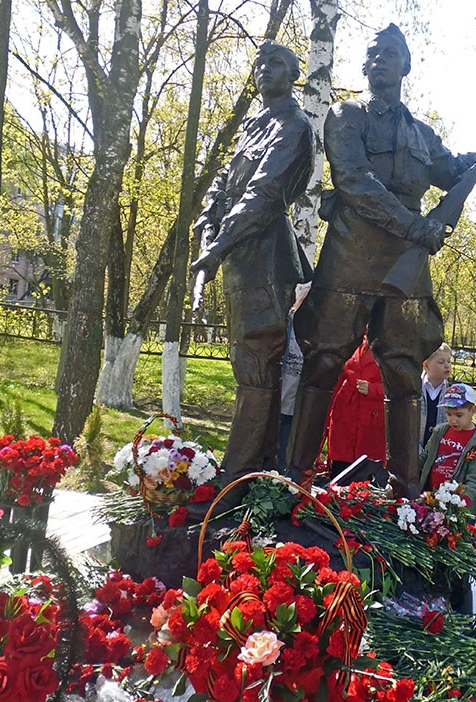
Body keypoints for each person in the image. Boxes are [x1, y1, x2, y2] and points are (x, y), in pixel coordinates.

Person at [287, 23, 476, 497]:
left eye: (391, 53)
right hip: (351, 256)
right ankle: (296, 477)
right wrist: (416, 226)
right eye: (373, 54)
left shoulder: (421, 133)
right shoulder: (345, 115)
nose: (379, 60)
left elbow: (453, 170)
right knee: (324, 362)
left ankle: (404, 488)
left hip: (405, 266)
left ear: (405, 65)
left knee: (404, 371)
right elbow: (353, 180)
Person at [189, 41, 314, 488]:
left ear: (294, 72)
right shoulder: (254, 126)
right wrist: (207, 223)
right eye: (259, 62)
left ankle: (239, 475)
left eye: (276, 62)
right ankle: (250, 472)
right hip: (241, 256)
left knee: (258, 363)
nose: (264, 69)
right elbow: (224, 183)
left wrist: (217, 246)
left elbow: (262, 193)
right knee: (247, 362)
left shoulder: (293, 126)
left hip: (265, 259)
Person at [418, 383, 476, 522]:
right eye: (448, 414)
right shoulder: (440, 431)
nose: (453, 420)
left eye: (459, 415)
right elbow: (425, 457)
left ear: (473, 411)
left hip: (457, 508)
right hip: (429, 497)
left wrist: (460, 503)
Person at [326, 338, 386, 478]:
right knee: (339, 474)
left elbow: (400, 387)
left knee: (364, 478)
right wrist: (329, 411)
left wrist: (373, 389)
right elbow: (338, 380)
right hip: (345, 415)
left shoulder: (390, 347)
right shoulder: (352, 341)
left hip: (371, 419)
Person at [277, 284, 310, 472]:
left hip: (297, 404)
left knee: (287, 453)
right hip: (278, 400)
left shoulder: (315, 332)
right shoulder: (285, 326)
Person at [420, 343, 452, 449]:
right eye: (441, 362)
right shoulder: (415, 389)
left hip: (441, 450)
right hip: (417, 448)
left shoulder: (452, 391)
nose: (447, 365)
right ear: (426, 365)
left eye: (449, 361)